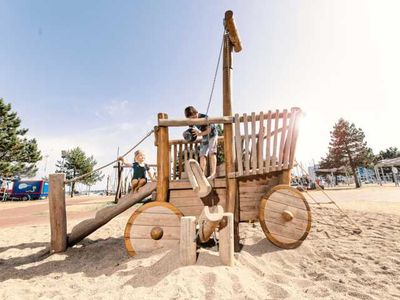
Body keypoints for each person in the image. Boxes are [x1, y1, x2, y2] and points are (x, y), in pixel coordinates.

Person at [184, 106, 218, 179]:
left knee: (212, 153)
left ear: (196, 112)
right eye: (190, 118)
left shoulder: (205, 117)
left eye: (193, 117)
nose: (193, 119)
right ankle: (201, 174)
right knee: (202, 155)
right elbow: (190, 129)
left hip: (212, 135)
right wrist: (186, 134)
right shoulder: (192, 120)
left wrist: (199, 134)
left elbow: (209, 130)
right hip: (204, 136)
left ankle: (213, 173)